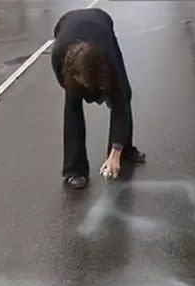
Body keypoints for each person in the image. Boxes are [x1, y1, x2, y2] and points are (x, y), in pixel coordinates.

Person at [51, 8, 146, 190]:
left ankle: (123, 151)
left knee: (124, 93)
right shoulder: (58, 57)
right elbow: (71, 95)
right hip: (67, 27)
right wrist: (83, 91)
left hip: (102, 26)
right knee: (72, 106)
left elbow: (120, 103)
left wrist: (115, 151)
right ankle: (74, 170)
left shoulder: (106, 57)